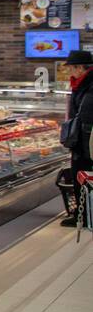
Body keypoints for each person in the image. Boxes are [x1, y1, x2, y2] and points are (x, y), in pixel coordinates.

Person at [60, 49, 93, 227]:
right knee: (80, 175)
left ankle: (84, 216)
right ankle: (84, 214)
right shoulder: (81, 83)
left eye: (71, 67)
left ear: (80, 67)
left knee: (82, 175)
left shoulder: (88, 85)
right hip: (83, 140)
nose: (69, 71)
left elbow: (86, 115)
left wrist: (77, 139)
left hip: (85, 142)